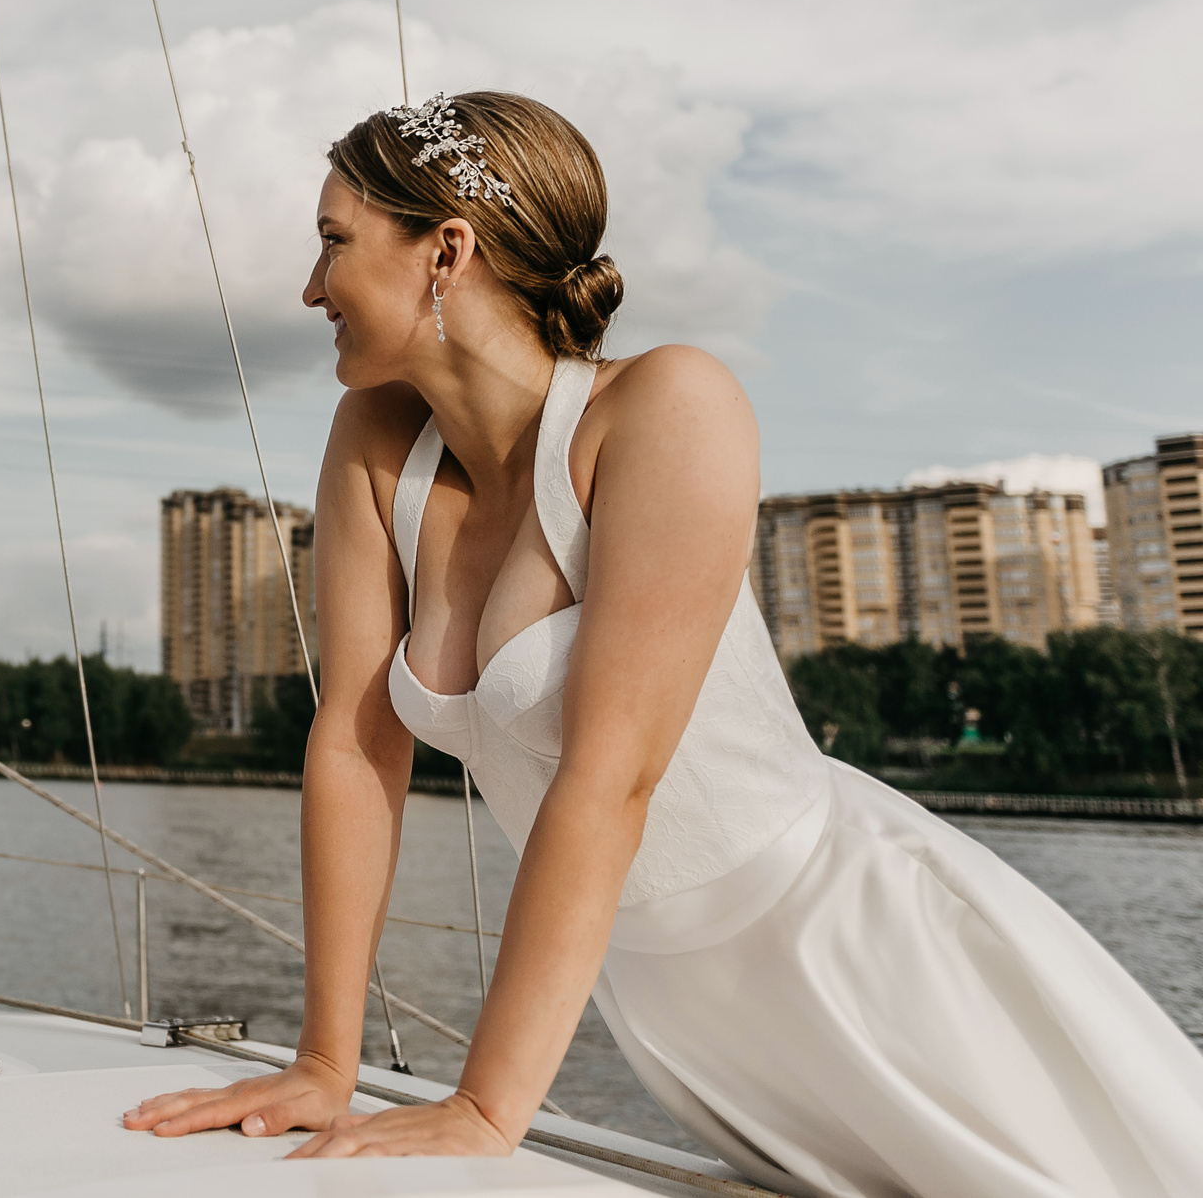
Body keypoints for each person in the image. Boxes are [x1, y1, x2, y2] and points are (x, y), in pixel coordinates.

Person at [123, 93, 1203, 1195]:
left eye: (333, 242)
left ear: (445, 248)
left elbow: (611, 776)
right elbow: (357, 747)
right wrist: (322, 1062)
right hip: (669, 1008)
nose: (310, 287)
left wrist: (489, 1105)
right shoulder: (373, 441)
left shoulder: (667, 405)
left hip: (852, 957)